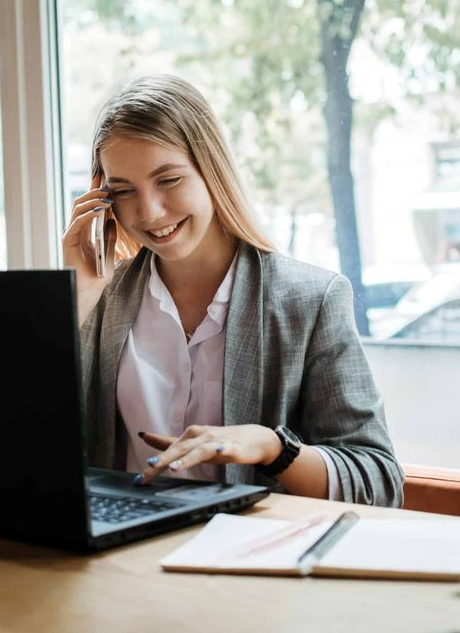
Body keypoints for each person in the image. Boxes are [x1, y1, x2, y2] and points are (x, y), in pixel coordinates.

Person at [63, 75, 404, 506]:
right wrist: (75, 298)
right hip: (122, 557)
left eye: (168, 180)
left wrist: (272, 448)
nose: (148, 212)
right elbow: (24, 444)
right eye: (123, 190)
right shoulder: (100, 300)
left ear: (212, 170)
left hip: (248, 559)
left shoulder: (310, 300)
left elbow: (377, 480)